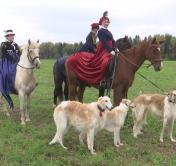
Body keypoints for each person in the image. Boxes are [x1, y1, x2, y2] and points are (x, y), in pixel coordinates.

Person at [0, 30, 21, 109]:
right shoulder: (3, 44)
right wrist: (12, 58)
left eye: (13, 35)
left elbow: (19, 53)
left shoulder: (16, 44)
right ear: (7, 37)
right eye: (11, 35)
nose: (13, 36)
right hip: (6, 63)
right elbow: (3, 54)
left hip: (16, 61)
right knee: (6, 74)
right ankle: (6, 89)